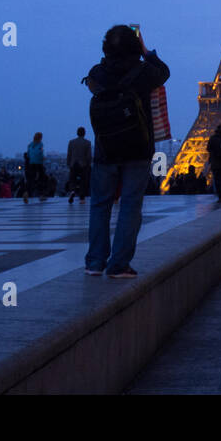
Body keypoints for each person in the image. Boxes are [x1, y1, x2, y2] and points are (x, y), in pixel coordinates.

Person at [83, 24, 170, 279]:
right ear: (135, 47)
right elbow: (164, 72)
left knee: (100, 205)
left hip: (105, 148)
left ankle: (95, 262)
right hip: (137, 147)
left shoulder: (97, 73)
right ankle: (119, 264)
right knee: (131, 206)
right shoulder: (144, 72)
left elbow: (95, 82)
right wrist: (146, 51)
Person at [66, 126, 92, 203]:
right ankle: (82, 197)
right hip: (83, 164)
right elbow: (89, 156)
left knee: (72, 179)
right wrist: (88, 164)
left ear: (77, 133)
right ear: (84, 133)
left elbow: (69, 154)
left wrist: (68, 163)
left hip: (73, 163)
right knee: (83, 181)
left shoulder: (71, 142)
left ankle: (72, 191)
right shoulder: (87, 143)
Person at [25, 132, 47, 203]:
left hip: (31, 163)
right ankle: (41, 195)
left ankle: (27, 193)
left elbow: (28, 155)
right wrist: (43, 158)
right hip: (39, 163)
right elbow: (40, 153)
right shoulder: (40, 144)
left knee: (31, 180)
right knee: (42, 179)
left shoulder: (30, 145)